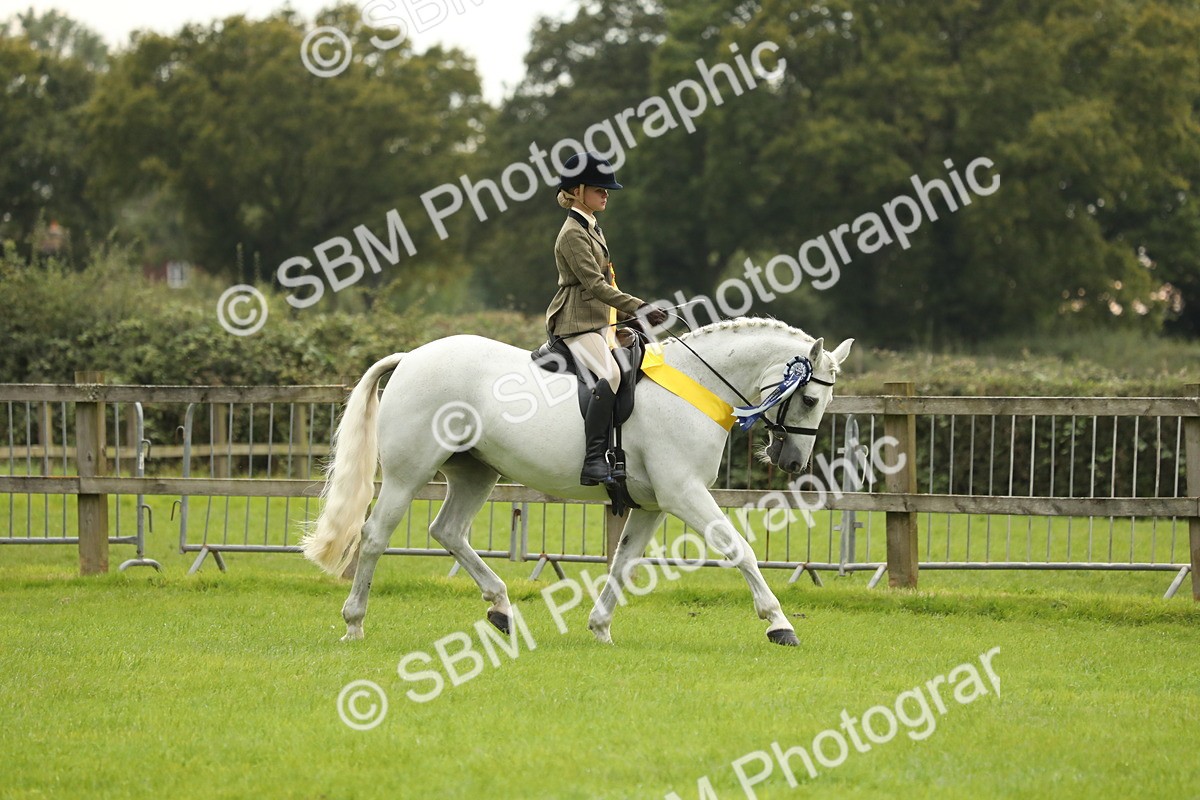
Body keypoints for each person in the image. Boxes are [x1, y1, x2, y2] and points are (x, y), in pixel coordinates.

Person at [545, 151, 669, 486]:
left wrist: (634, 314)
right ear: (578, 190)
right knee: (611, 373)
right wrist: (640, 306)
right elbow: (595, 286)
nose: (606, 194)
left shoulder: (591, 227)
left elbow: (609, 283)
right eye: (599, 188)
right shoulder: (572, 233)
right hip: (576, 322)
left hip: (601, 320)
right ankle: (593, 459)